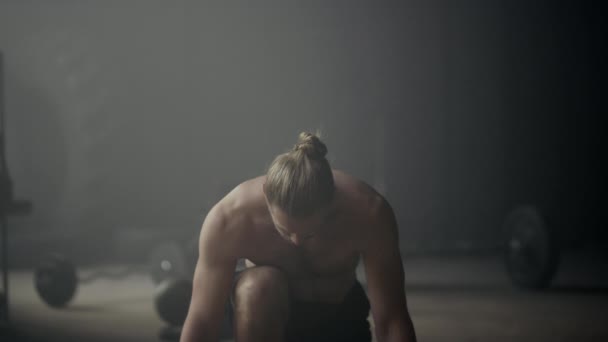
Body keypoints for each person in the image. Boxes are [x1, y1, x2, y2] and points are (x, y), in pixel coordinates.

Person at [180, 132, 417, 342]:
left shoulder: (369, 213)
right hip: (264, 323)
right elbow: (202, 319)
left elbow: (392, 319)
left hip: (340, 322)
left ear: (331, 201)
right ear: (266, 196)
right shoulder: (229, 219)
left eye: (309, 233)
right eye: (284, 231)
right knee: (257, 287)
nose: (296, 241)